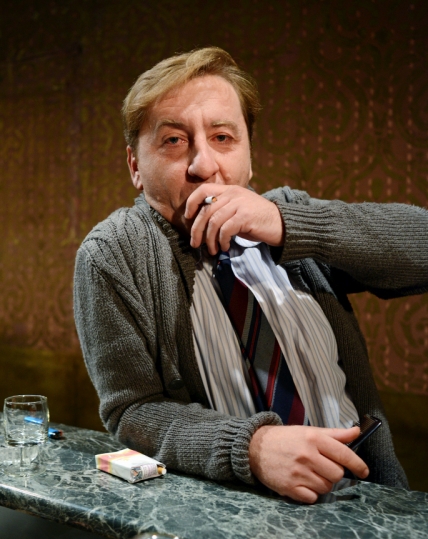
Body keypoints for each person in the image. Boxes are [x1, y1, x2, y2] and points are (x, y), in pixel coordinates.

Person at [74, 47, 428, 503]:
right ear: (135, 166)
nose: (204, 165)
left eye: (223, 137)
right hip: (231, 513)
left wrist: (288, 224)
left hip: (364, 499)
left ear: (250, 156)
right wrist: (251, 447)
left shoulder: (289, 214)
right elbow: (133, 411)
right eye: (174, 141)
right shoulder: (114, 253)